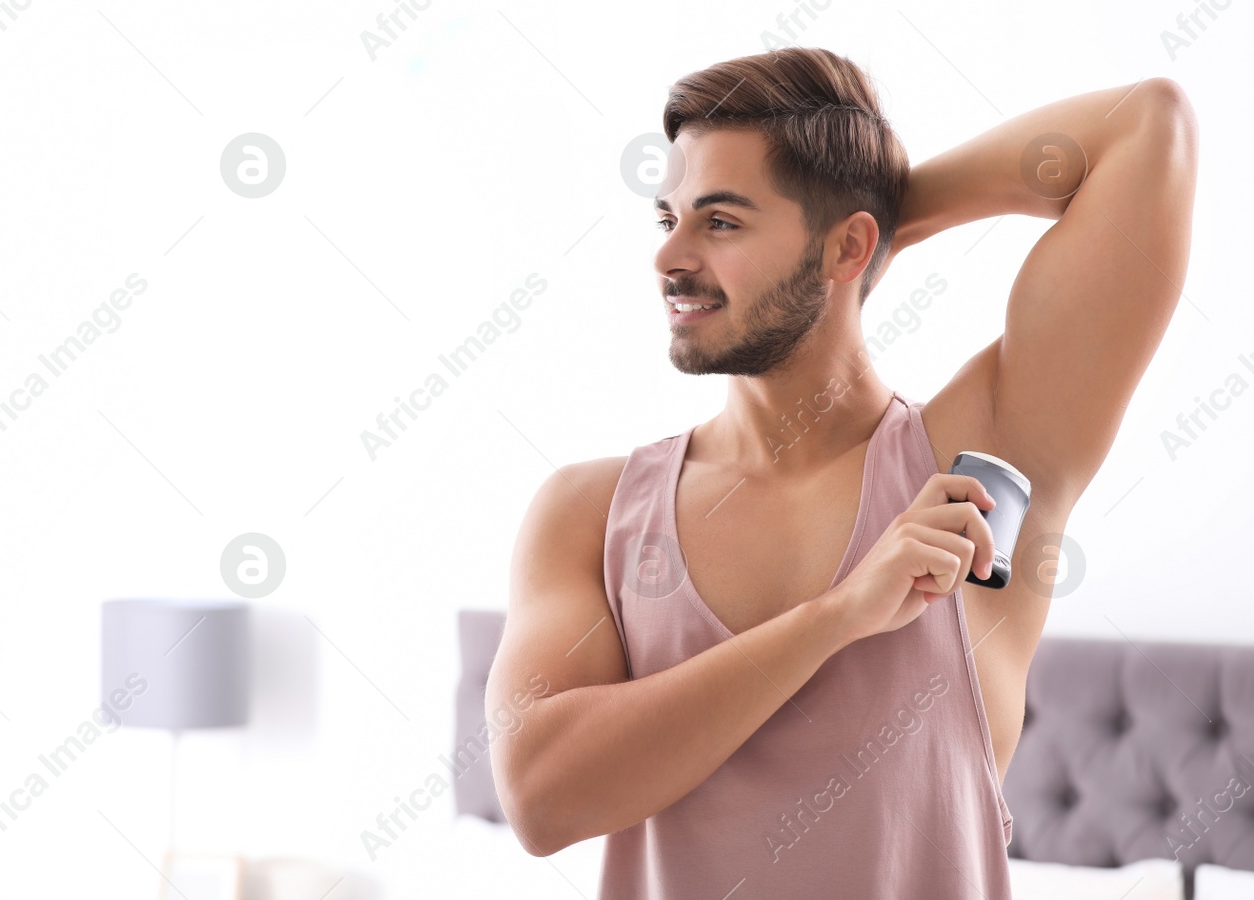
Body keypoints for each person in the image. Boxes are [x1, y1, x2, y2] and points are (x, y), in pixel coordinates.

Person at [485, 47, 1197, 899]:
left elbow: (1149, 129)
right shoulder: (591, 513)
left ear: (846, 246)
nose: (668, 256)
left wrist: (880, 224)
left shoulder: (982, 457)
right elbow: (539, 797)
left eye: (720, 222)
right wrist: (838, 616)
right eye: (666, 216)